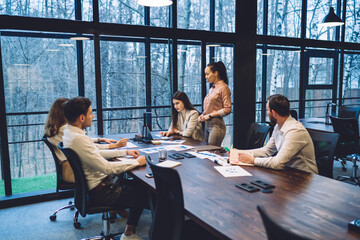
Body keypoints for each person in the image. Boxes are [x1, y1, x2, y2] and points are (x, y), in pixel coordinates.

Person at [62, 97, 148, 240]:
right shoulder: (79, 138)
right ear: (82, 117)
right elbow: (107, 168)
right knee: (145, 191)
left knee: (136, 183)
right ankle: (130, 234)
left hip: (94, 189)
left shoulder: (70, 134)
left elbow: (96, 152)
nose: (93, 116)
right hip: (102, 192)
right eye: (90, 113)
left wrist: (124, 152)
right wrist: (137, 163)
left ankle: (129, 231)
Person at [44, 98, 128, 183]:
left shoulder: (58, 129)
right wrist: (114, 146)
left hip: (70, 166)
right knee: (113, 170)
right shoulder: (65, 130)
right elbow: (83, 143)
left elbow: (83, 142)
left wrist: (99, 139)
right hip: (71, 170)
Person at [235, 94, 318, 174]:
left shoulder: (295, 131)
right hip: (289, 174)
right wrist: (239, 152)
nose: (267, 112)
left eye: (267, 110)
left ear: (273, 113)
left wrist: (253, 160)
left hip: (305, 178)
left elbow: (277, 163)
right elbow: (267, 151)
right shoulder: (278, 126)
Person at [198, 61, 232, 146]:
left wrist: (209, 115)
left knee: (212, 153)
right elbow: (210, 107)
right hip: (207, 124)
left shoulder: (223, 88)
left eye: (207, 74)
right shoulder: (212, 88)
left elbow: (228, 109)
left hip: (216, 126)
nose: (206, 77)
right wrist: (203, 115)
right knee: (206, 152)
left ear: (216, 73)